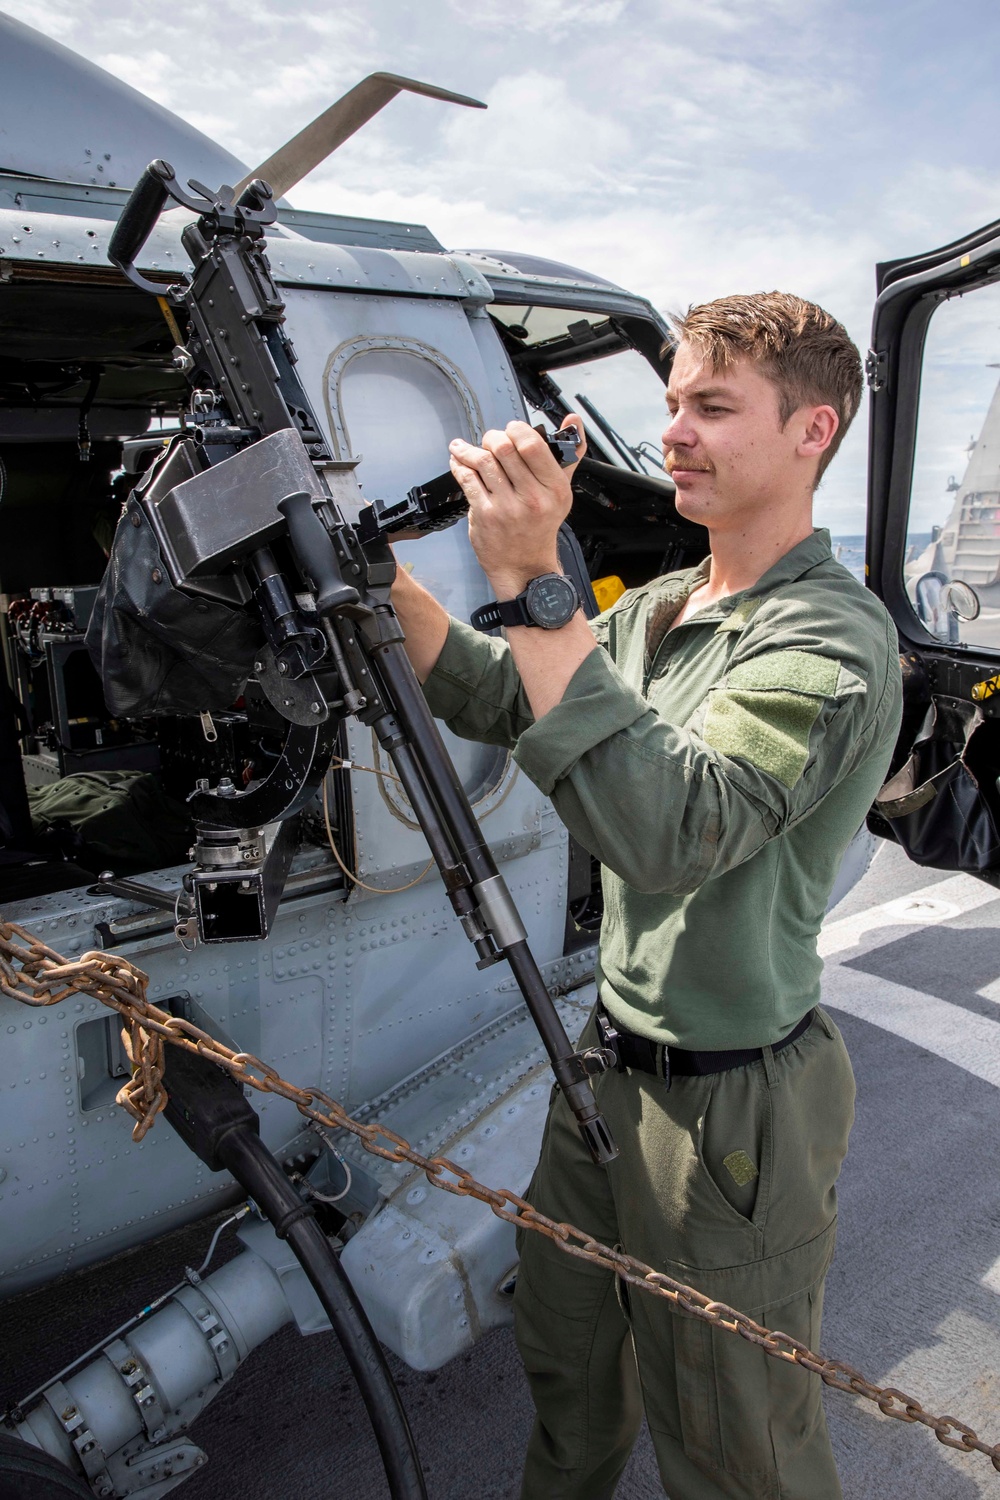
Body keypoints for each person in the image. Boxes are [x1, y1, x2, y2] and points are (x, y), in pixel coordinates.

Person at [390, 291, 903, 1500]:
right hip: (604, 1076)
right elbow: (507, 696)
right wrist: (381, 586)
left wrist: (534, 583)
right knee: (568, 1371)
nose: (671, 431)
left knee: (734, 1451)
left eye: (712, 407)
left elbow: (673, 830)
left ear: (811, 431)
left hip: (733, 1115)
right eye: (671, 403)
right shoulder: (669, 607)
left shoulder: (830, 643)